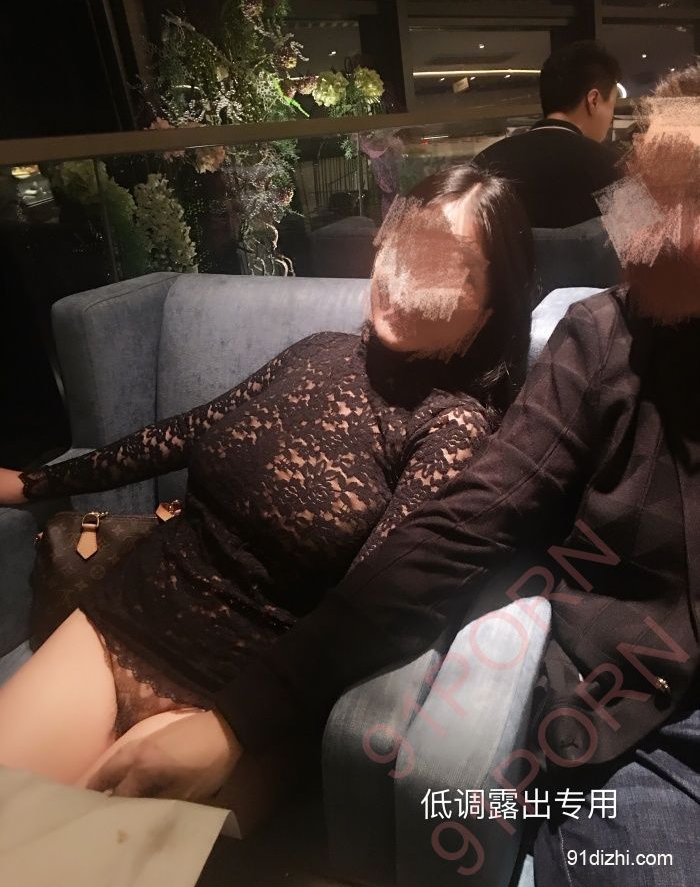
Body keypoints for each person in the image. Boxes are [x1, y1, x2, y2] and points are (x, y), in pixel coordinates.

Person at [213, 65, 698, 881]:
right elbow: (465, 523)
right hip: (645, 729)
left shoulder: (456, 414)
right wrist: (246, 712)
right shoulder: (603, 340)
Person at [0, 165, 534, 809]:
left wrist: (233, 727)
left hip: (240, 696)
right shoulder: (320, 350)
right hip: (129, 611)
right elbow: (185, 432)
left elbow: (374, 606)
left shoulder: (453, 429)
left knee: (70, 847)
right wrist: (33, 483)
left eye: (448, 267)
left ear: (490, 308)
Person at [473, 40, 622, 228]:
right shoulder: (615, 169)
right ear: (593, 100)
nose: (611, 118)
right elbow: (646, 242)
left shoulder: (484, 165)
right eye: (612, 106)